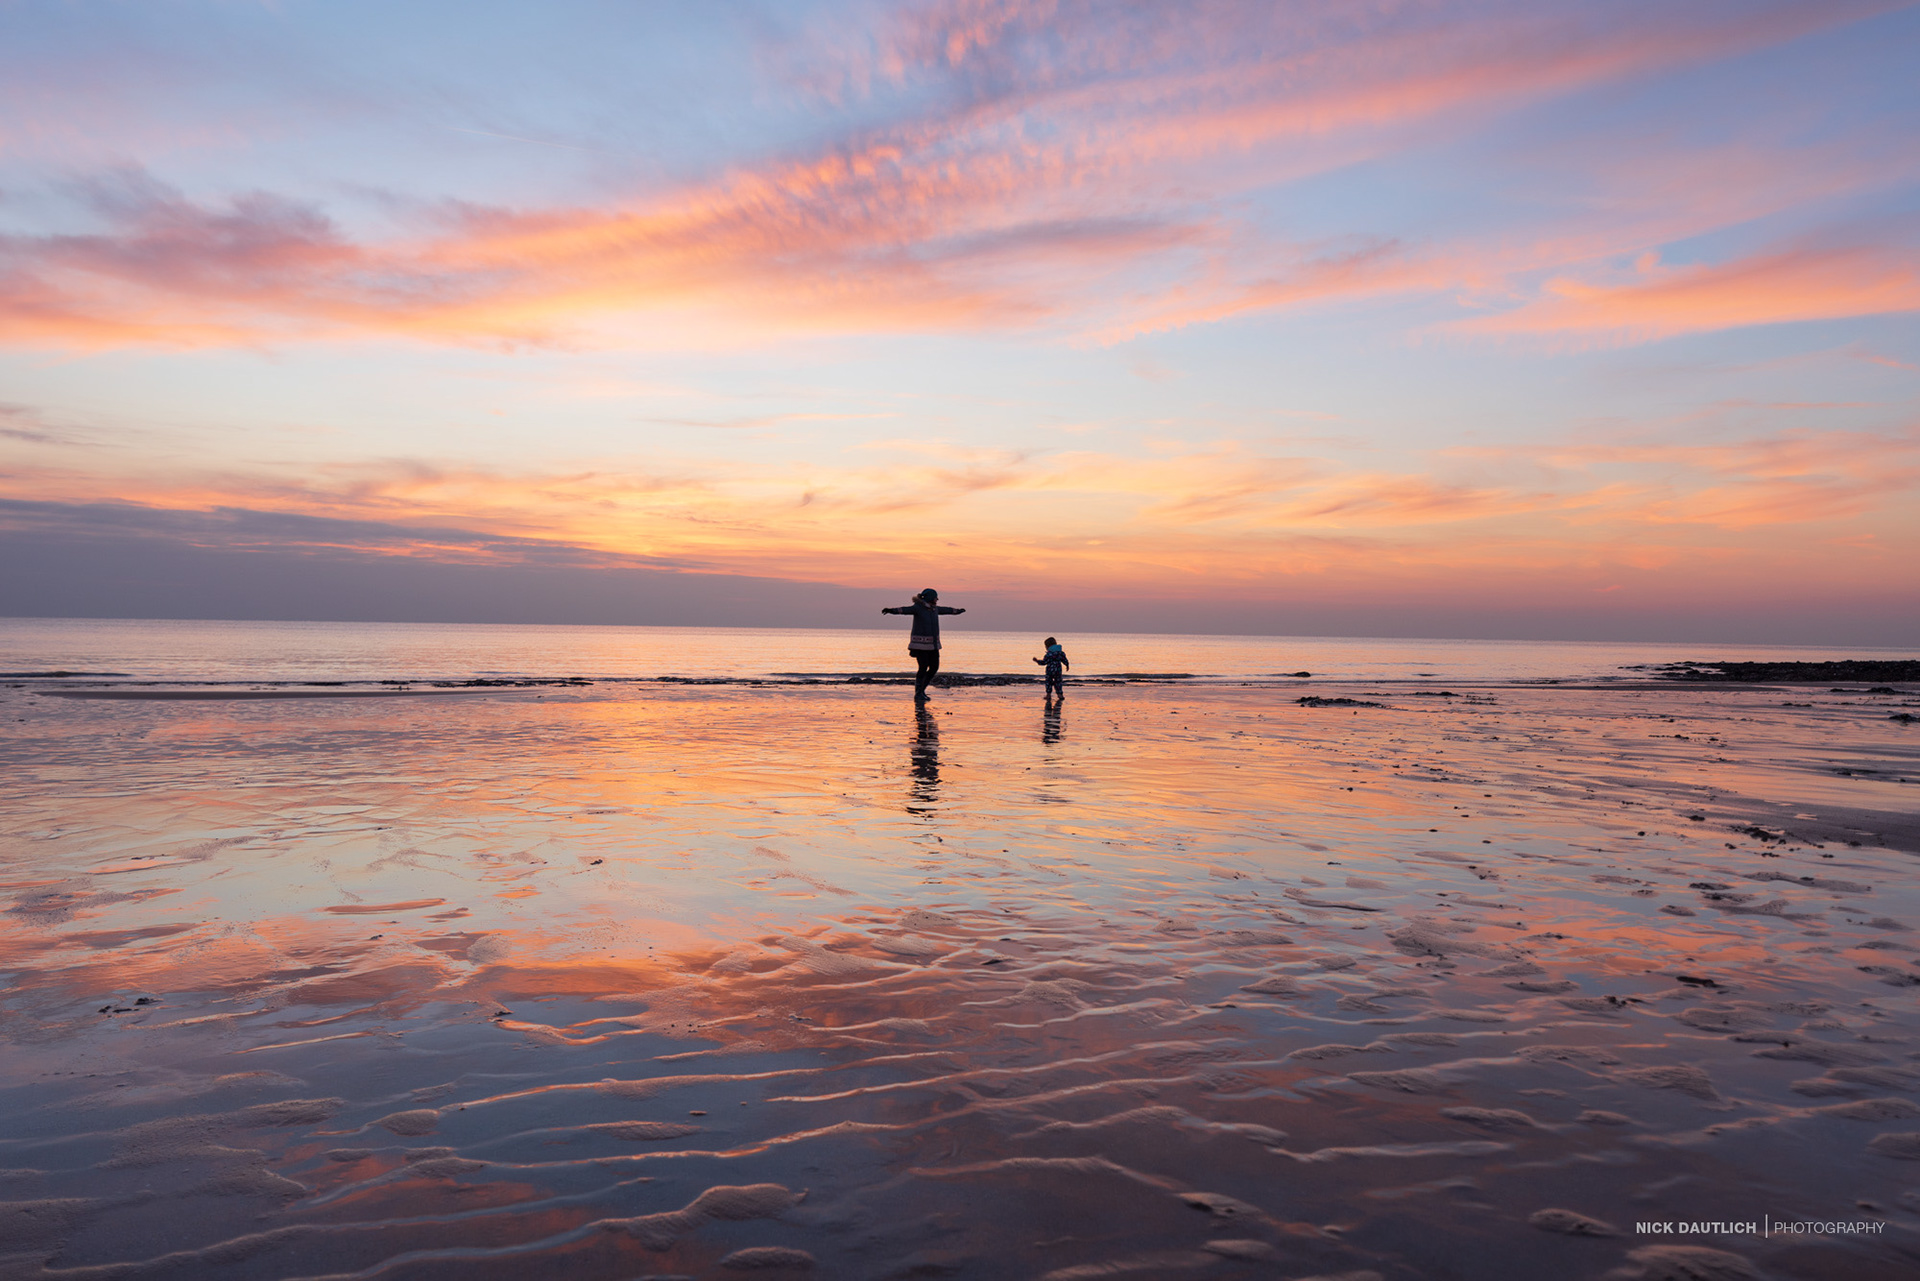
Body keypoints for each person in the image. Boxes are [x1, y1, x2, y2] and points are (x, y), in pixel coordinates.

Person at [881, 588, 966, 700]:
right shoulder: (918, 608)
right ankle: (918, 693)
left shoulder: (935, 609)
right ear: (930, 597)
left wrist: (958, 611)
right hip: (920, 645)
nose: (937, 599)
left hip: (933, 645)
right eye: (936, 597)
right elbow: (904, 610)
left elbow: (947, 610)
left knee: (934, 667)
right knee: (923, 667)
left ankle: (921, 691)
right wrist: (890, 610)